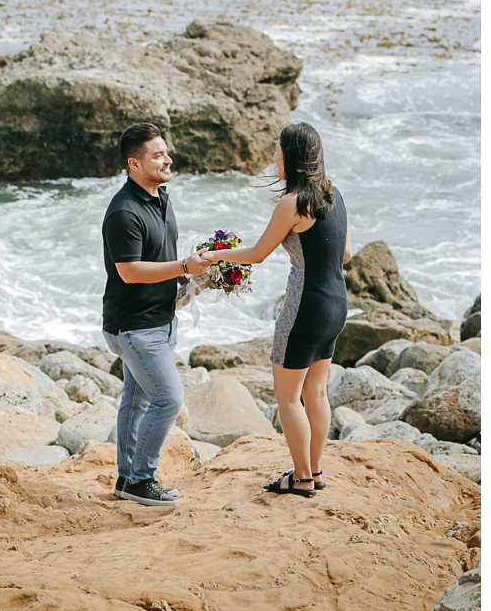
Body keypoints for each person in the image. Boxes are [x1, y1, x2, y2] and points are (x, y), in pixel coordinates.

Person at [200, 121, 351, 498]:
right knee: (316, 394)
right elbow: (345, 254)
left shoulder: (293, 203)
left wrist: (212, 255)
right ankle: (314, 472)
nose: (273, 156)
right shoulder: (334, 196)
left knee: (288, 397)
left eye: (277, 150)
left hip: (305, 309)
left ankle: (300, 478)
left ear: (294, 157)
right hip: (337, 307)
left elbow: (256, 254)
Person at [101, 123, 209, 507]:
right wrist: (183, 264)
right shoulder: (123, 212)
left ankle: (126, 479)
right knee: (167, 399)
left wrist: (191, 275)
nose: (168, 159)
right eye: (157, 155)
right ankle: (141, 479)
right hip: (134, 326)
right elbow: (129, 271)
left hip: (162, 318)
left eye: (166, 151)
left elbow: (162, 256)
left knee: (136, 399)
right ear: (134, 163)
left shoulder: (161, 197)